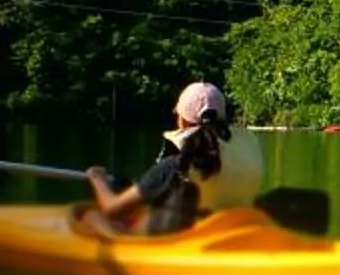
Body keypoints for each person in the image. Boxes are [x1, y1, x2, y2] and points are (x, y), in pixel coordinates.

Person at [84, 82, 261, 235]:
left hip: (182, 242)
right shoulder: (247, 148)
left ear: (181, 121)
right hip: (228, 233)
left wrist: (97, 178)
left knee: (92, 216)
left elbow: (111, 208)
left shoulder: (175, 166)